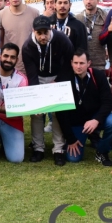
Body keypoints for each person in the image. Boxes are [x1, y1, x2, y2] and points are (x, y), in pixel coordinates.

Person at [21, 15, 75, 164]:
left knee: (58, 112)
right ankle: (38, 148)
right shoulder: (27, 46)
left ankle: (58, 149)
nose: (43, 36)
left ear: (51, 29)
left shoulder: (62, 39)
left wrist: (57, 81)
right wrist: (36, 97)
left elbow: (69, 63)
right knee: (37, 114)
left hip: (58, 77)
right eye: (39, 33)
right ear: (33, 31)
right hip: (38, 78)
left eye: (46, 32)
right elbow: (31, 74)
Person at [56, 49, 112, 166]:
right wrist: (71, 139)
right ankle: (81, 138)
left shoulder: (98, 75)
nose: (78, 66)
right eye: (75, 63)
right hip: (77, 122)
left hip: (95, 117)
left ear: (88, 63)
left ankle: (102, 151)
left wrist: (96, 120)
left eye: (82, 63)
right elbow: (61, 112)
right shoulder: (64, 78)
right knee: (73, 158)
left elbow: (108, 102)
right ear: (71, 63)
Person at [0, 0, 40, 72]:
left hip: (30, 63)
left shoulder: (34, 13)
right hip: (9, 64)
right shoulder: (1, 14)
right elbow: (1, 40)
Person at [81, 0, 112, 71]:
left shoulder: (105, 17)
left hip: (100, 66)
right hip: (81, 66)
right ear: (83, 0)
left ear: (98, 1)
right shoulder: (78, 18)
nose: (88, 1)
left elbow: (111, 42)